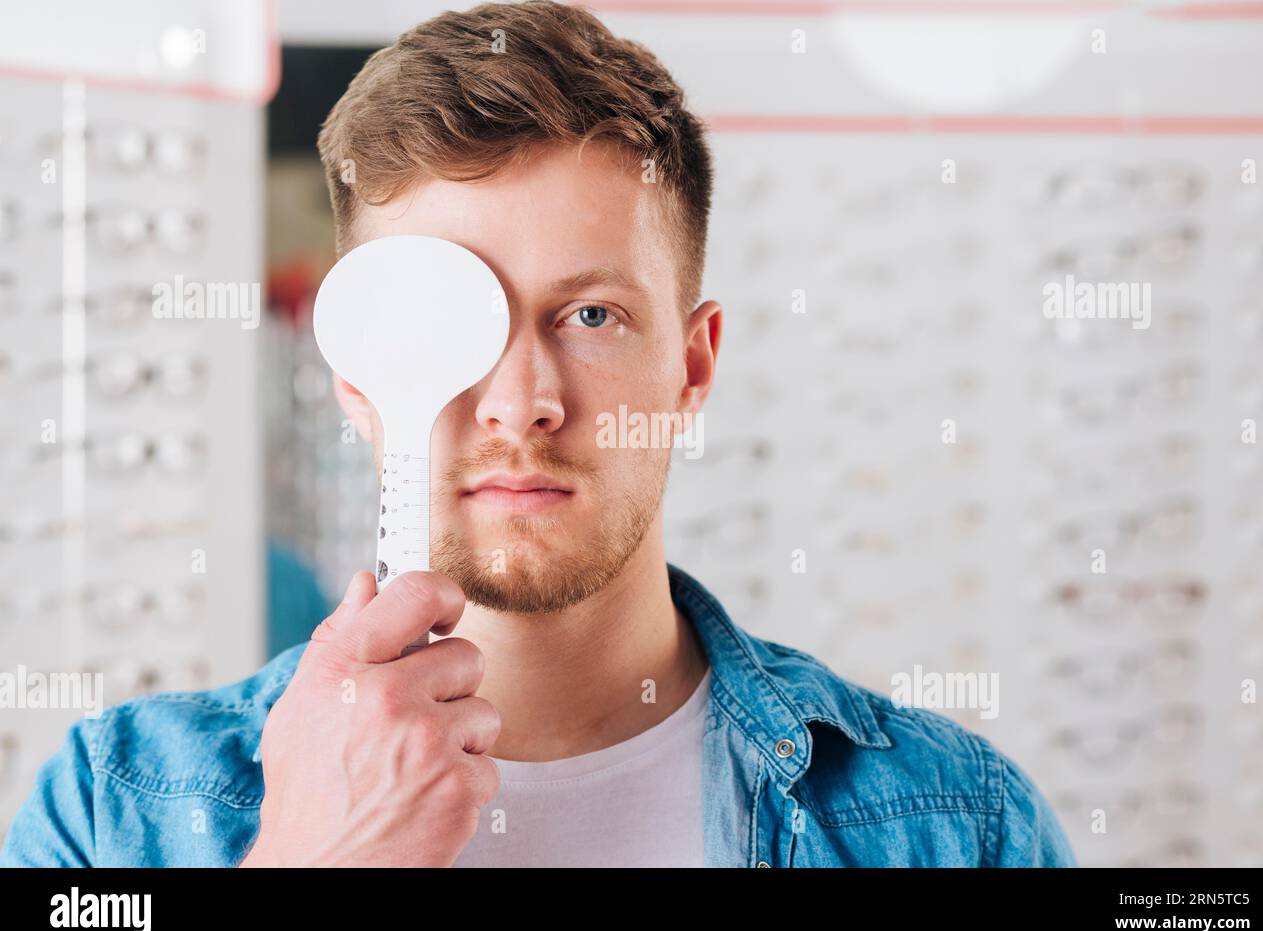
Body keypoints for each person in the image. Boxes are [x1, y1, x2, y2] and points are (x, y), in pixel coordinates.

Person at [0, 0, 1075, 867]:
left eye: (590, 316)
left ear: (692, 365)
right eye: (442, 325)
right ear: (355, 374)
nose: (521, 402)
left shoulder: (955, 827)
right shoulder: (113, 818)